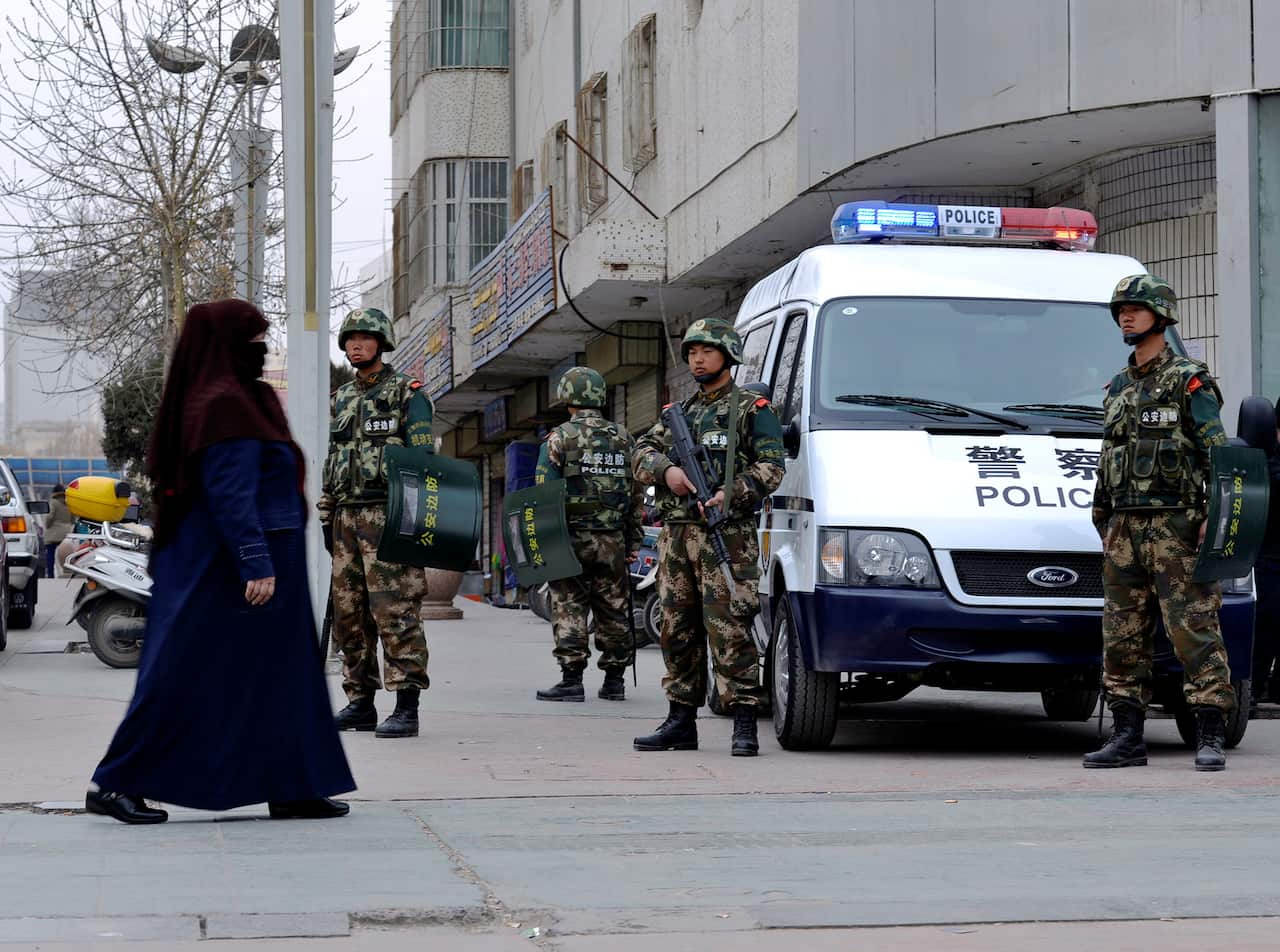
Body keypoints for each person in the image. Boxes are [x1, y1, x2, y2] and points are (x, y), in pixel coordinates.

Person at [87, 299, 355, 824]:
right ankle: (114, 782)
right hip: (226, 566)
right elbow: (230, 492)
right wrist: (255, 562)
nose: (261, 349)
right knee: (181, 672)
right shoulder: (222, 402)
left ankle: (294, 784)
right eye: (254, 340)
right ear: (228, 345)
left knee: (284, 676)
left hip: (265, 559)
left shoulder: (249, 397)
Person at [1085, 274, 1235, 772]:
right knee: (1122, 634)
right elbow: (1111, 456)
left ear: (1160, 315)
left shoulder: (1189, 380)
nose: (1126, 316)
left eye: (1136, 308)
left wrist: (1213, 514)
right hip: (1125, 529)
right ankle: (1127, 736)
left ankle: (1209, 733)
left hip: (1178, 525)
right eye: (1120, 310)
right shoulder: (1119, 387)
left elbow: (1218, 453)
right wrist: (1103, 518)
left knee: (1193, 628)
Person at [631, 319, 785, 756]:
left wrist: (729, 492)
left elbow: (771, 467)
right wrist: (669, 472)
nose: (697, 359)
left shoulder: (753, 410)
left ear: (727, 355)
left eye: (706, 351)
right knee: (677, 629)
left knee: (729, 627)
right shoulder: (680, 413)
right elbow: (640, 452)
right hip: (678, 536)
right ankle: (680, 720)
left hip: (728, 536)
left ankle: (743, 722)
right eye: (692, 352)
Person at [320, 307, 433, 739]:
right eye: (350, 338)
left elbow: (423, 461)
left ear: (381, 342)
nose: (355, 344)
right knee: (350, 616)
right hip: (346, 520)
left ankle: (407, 705)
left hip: (388, 516)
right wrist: (326, 511)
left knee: (396, 611)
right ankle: (360, 702)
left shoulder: (409, 393)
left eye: (365, 337)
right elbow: (335, 459)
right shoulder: (342, 399)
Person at [534, 366, 644, 703]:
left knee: (569, 604)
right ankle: (614, 681)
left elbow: (544, 495)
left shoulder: (559, 439)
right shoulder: (624, 438)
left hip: (570, 539)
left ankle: (571, 680)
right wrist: (631, 541)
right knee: (613, 605)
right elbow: (635, 494)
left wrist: (545, 542)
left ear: (568, 398)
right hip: (612, 539)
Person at [43, 484, 72, 577]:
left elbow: (50, 516)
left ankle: (50, 574)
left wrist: (47, 525)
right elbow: (73, 518)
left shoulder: (53, 502)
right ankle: (68, 573)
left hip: (53, 533)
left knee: (50, 554)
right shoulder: (69, 503)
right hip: (66, 533)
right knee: (67, 554)